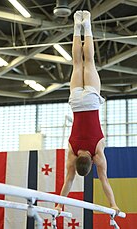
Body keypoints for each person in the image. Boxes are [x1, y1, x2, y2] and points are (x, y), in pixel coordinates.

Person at [56, 10, 120, 214]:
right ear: (76, 162)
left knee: (89, 62)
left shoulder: (98, 154)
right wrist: (59, 204)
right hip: (76, 102)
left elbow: (105, 182)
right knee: (77, 63)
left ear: (91, 161)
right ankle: (77, 25)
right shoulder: (71, 152)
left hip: (92, 102)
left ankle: (88, 24)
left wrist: (113, 205)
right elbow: (67, 182)